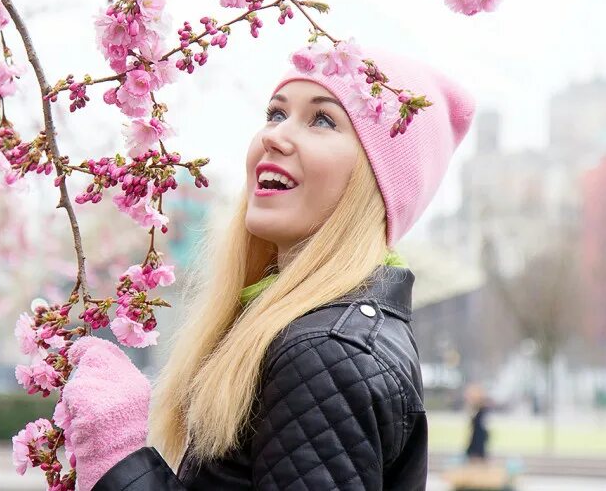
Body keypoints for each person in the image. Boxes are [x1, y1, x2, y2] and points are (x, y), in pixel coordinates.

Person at [57, 47, 476, 490]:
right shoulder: (332, 335)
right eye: (276, 114)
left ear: (375, 183)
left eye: (323, 120)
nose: (274, 136)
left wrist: (118, 457)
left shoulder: (325, 352)